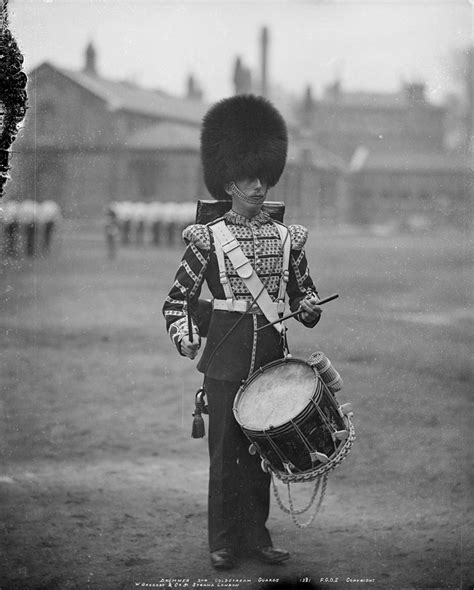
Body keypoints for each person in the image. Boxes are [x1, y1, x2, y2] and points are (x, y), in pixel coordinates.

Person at [162, 95, 323, 571]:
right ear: (228, 179)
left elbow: (304, 299)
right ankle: (223, 541)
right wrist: (186, 335)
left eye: (264, 176)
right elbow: (178, 301)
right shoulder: (207, 239)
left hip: (272, 361)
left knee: (264, 456)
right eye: (250, 176)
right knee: (226, 456)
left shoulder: (287, 238)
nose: (259, 184)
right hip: (226, 362)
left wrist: (308, 309)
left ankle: (257, 537)